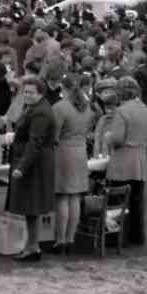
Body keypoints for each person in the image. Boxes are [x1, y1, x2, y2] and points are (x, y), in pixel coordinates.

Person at [7, 76, 57, 261]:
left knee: (31, 205)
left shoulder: (41, 112)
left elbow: (35, 142)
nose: (27, 95)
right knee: (30, 207)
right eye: (25, 92)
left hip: (35, 163)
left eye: (31, 92)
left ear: (40, 93)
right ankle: (32, 246)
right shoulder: (34, 108)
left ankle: (32, 247)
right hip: (33, 160)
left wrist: (21, 167)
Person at [105, 76, 147, 246]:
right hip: (139, 159)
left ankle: (117, 237)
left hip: (123, 160)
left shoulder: (122, 111)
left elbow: (117, 139)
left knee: (118, 201)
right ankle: (137, 236)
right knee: (137, 200)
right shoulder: (145, 109)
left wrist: (107, 137)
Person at [52, 73, 92, 254]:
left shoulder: (60, 108)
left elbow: (54, 135)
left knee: (62, 196)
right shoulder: (86, 107)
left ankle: (60, 240)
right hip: (80, 151)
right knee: (75, 196)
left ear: (64, 88)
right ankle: (70, 238)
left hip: (63, 152)